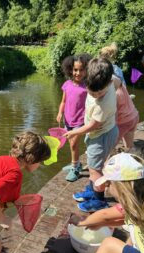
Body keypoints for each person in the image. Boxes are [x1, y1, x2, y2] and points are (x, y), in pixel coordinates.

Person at [65, 58, 118, 212]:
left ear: (107, 84)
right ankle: (92, 190)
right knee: (94, 165)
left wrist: (74, 132)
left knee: (95, 170)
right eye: (91, 91)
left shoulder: (104, 103)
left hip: (101, 135)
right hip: (97, 134)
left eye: (98, 93)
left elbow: (94, 125)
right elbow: (119, 83)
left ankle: (99, 200)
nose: (94, 95)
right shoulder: (109, 79)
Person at [56, 54, 92, 182]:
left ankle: (76, 168)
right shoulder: (66, 84)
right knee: (71, 144)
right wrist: (60, 113)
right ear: (70, 69)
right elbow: (63, 101)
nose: (78, 73)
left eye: (81, 70)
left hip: (80, 121)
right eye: (75, 70)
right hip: (68, 120)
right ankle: (75, 163)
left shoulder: (87, 86)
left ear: (86, 70)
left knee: (73, 144)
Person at [113, 76, 139, 150]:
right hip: (134, 116)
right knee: (129, 146)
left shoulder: (115, 95)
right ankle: (134, 157)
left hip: (124, 122)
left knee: (110, 145)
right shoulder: (122, 87)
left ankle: (108, 160)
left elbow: (115, 115)